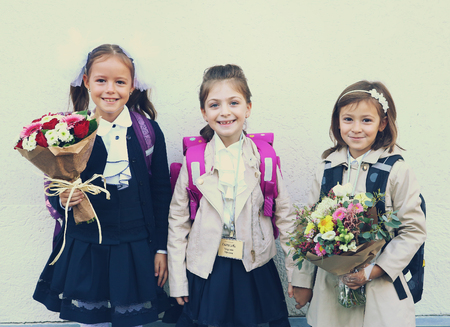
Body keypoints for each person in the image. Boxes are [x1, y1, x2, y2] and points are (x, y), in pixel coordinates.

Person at [33, 44, 172, 327]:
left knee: (133, 319)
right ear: (86, 81)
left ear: (133, 86)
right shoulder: (70, 132)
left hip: (135, 242)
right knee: (92, 319)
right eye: (101, 80)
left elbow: (161, 192)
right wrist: (63, 199)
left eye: (120, 82)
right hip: (88, 242)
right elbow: (54, 182)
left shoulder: (148, 131)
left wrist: (161, 248)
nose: (111, 89)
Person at [168, 64, 295, 327]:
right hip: (207, 269)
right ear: (204, 112)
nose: (225, 112)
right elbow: (178, 223)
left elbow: (287, 219)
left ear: (248, 107)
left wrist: (298, 276)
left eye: (234, 103)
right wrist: (178, 280)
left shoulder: (264, 160)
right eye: (215, 105)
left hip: (254, 266)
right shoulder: (194, 161)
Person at [291, 81, 426, 326]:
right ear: (337, 121)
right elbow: (307, 230)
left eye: (366, 120)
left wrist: (371, 272)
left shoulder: (396, 170)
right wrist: (301, 281)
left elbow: (413, 231)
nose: (356, 129)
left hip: (380, 291)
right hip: (331, 292)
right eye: (348, 119)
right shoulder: (326, 169)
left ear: (382, 123)